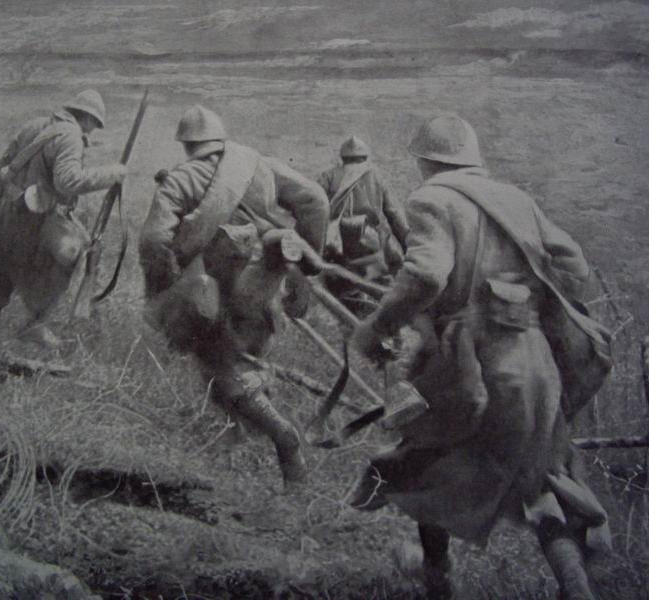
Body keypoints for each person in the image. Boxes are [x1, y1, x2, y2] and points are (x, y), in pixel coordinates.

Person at [350, 115, 612, 600]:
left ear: (425, 160)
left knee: (425, 458)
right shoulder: (515, 200)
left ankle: (438, 583)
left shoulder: (431, 198)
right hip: (536, 366)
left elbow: (426, 276)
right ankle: (578, 591)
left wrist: (379, 325)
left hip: (471, 365)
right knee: (541, 481)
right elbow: (573, 262)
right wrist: (522, 300)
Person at [139, 105, 328, 488]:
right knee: (236, 366)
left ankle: (285, 440)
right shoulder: (261, 165)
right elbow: (316, 202)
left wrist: (167, 285)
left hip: (222, 301)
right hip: (263, 296)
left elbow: (153, 239)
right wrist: (305, 272)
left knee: (226, 376)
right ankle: (235, 435)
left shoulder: (181, 179)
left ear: (188, 144)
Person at [0, 89, 128, 347]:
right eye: (94, 125)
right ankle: (36, 325)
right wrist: (112, 174)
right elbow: (68, 182)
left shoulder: (33, 126)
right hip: (35, 228)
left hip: (4, 219)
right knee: (71, 255)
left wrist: (17, 197)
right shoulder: (71, 136)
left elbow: (0, 172)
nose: (92, 131)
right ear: (86, 118)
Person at [317, 135, 408, 309]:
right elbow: (394, 213)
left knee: (341, 289)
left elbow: (317, 208)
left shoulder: (328, 176)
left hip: (338, 246)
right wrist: (407, 245)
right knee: (381, 287)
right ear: (365, 158)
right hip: (370, 243)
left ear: (342, 158)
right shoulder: (376, 176)